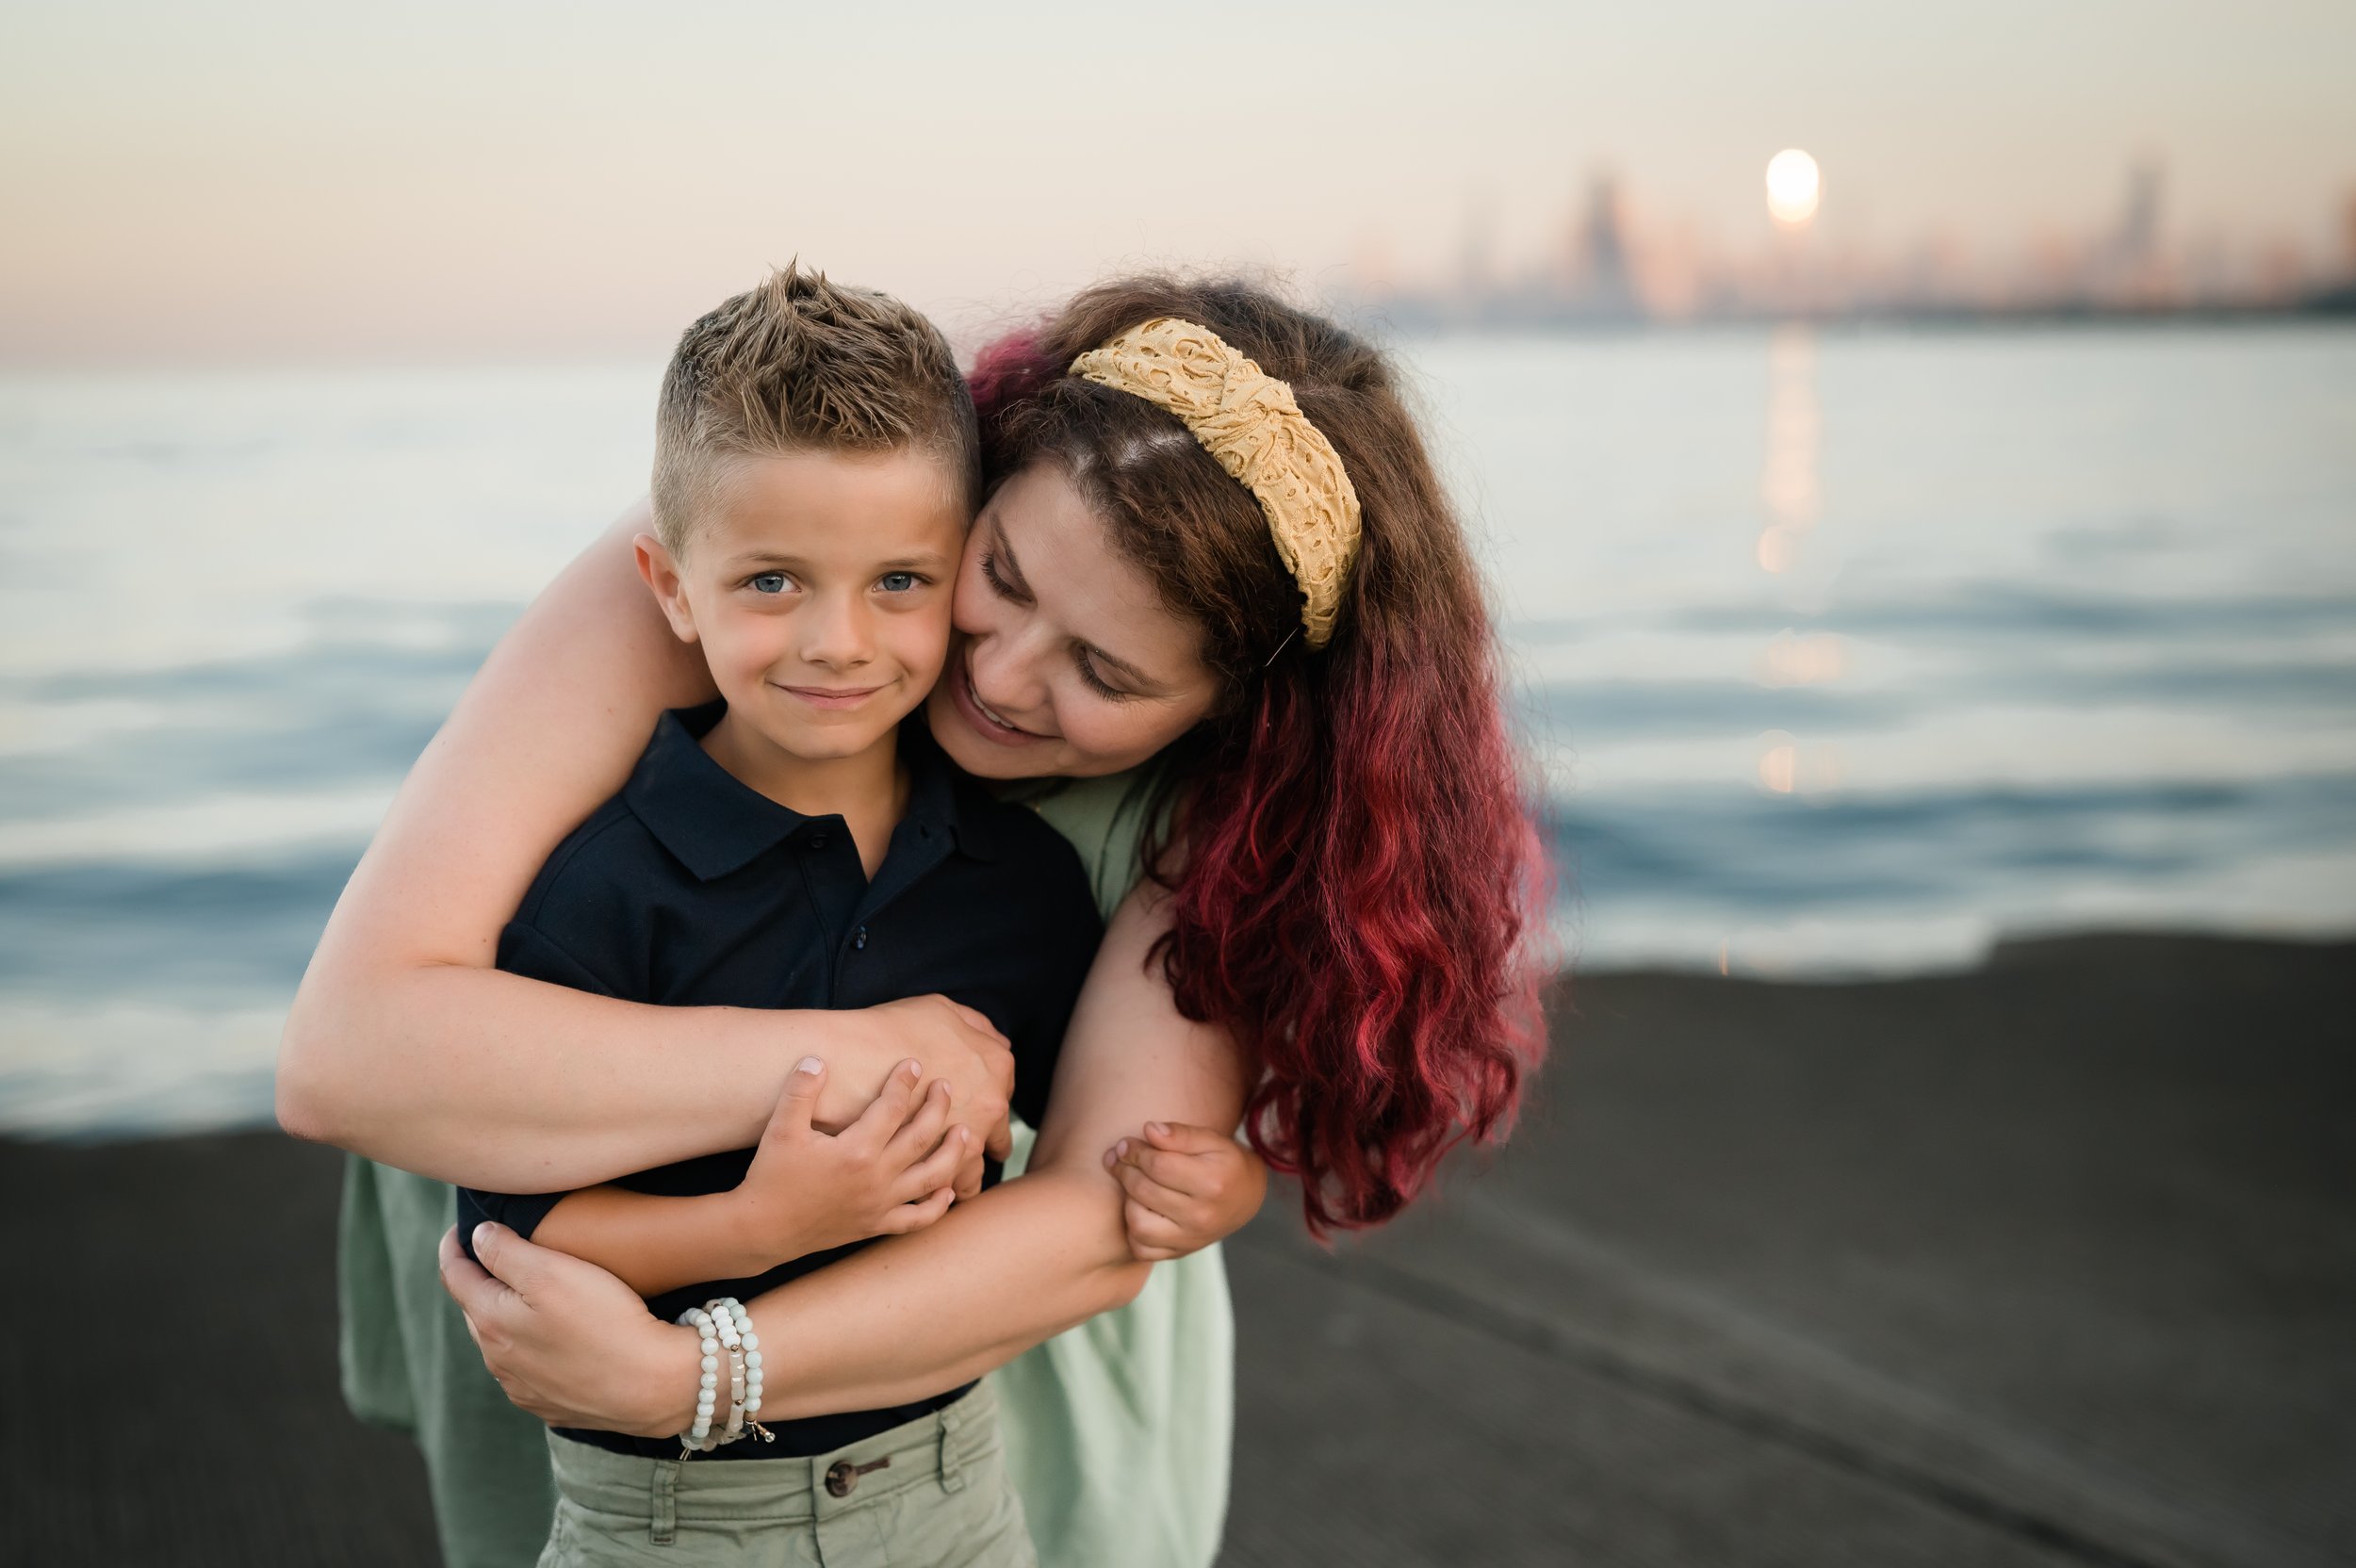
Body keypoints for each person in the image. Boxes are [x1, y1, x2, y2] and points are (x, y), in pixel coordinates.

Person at [278, 275, 1546, 1568]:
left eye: (1104, 673)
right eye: (994, 576)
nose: (994, 675)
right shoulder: (777, 552)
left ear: (1235, 713)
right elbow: (350, 1056)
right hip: (562, 1199)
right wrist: (881, 1056)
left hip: (964, 1333)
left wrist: (697, 1376)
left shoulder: (1242, 806)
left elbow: (1099, 1206)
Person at [437, 265, 1136, 1565]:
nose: (837, 641)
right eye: (771, 582)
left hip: (955, 1491)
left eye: (898, 583)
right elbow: (510, 1238)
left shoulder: (1019, 880)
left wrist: (1207, 1174)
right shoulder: (607, 887)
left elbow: (1088, 1159)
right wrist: (760, 1228)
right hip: (674, 1519)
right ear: (670, 584)